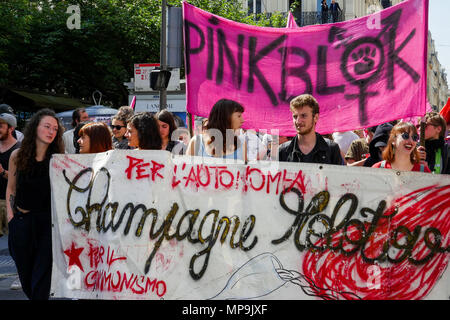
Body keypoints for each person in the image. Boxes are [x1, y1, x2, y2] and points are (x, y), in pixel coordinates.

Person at [6, 108, 64, 300]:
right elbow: (11, 189)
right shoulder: (17, 156)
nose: (51, 131)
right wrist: (11, 218)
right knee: (26, 277)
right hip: (21, 221)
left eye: (55, 129)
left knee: (42, 278)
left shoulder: (58, 159)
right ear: (35, 128)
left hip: (48, 223)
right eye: (47, 126)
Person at [278, 94, 343, 165]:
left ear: (315, 117)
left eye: (303, 116)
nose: (298, 121)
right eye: (295, 116)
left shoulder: (331, 149)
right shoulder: (282, 151)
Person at [0, 113, 21, 238]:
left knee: (13, 244)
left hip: (9, 203)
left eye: (1, 126)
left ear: (11, 128)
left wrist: (2, 172)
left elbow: (20, 179)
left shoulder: (19, 150)